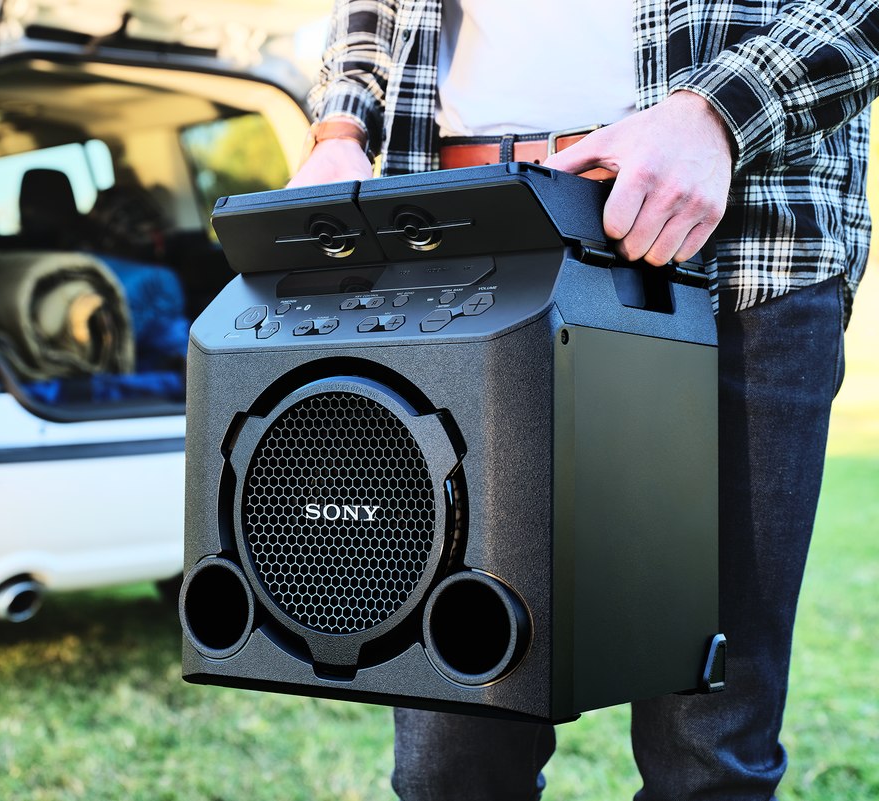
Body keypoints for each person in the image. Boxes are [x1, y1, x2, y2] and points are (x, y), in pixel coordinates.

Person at [288, 1, 878, 799]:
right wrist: (339, 129)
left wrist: (721, 110)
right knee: (449, 754)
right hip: (452, 239)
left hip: (733, 232)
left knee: (707, 754)